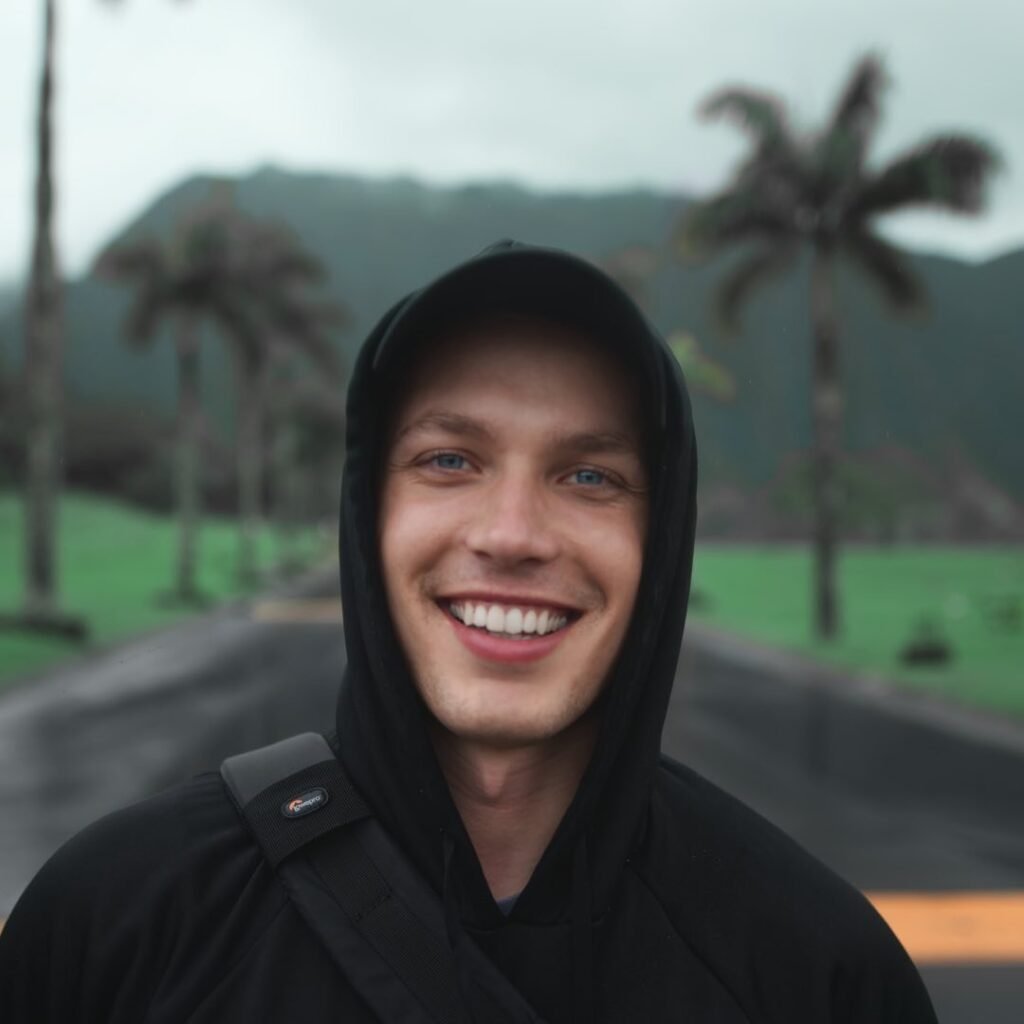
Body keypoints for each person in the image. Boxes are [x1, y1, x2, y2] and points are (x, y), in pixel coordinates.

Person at [0, 240, 936, 1022]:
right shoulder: (115, 923)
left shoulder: (819, 971)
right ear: (368, 514)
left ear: (664, 537)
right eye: (450, 460)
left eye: (589, 477)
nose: (512, 536)